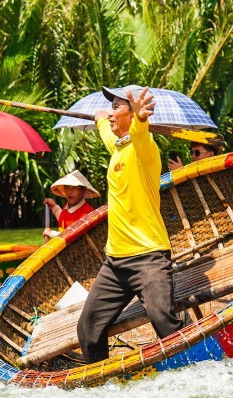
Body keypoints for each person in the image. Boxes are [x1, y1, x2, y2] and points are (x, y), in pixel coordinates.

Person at [77, 84, 184, 364]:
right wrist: (102, 118)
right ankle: (103, 385)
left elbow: (139, 131)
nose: (112, 114)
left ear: (130, 114)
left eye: (116, 107)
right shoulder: (118, 148)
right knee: (87, 330)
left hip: (148, 258)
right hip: (114, 263)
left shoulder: (144, 149)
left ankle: (194, 372)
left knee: (164, 322)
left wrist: (140, 117)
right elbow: (107, 134)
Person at [43, 170, 99, 241]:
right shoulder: (67, 206)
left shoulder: (88, 213)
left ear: (83, 191)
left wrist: (51, 233)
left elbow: (73, 236)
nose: (70, 192)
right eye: (67, 188)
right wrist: (54, 207)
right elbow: (64, 218)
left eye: (74, 188)